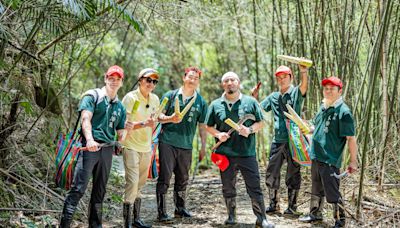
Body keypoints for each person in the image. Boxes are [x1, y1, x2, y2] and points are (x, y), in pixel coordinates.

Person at [205, 72, 274, 228]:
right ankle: (231, 216)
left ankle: (261, 218)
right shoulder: (215, 104)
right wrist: (218, 134)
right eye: (226, 81)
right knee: (228, 186)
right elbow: (207, 126)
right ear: (223, 84)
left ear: (238, 83)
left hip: (246, 153)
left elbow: (261, 123)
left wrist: (249, 130)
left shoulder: (250, 102)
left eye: (233, 80)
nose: (230, 83)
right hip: (225, 154)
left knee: (254, 185)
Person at [60, 65, 127, 228]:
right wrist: (89, 140)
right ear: (105, 78)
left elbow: (121, 135)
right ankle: (64, 225)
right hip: (89, 147)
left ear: (121, 82)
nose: (114, 81)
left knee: (100, 190)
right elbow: (85, 119)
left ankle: (95, 225)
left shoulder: (120, 107)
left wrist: (127, 132)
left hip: (107, 149)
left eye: (117, 79)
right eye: (111, 78)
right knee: (79, 188)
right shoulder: (92, 96)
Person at [299, 76, 357, 228]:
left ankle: (340, 220)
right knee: (316, 186)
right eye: (326, 88)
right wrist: (306, 126)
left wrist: (353, 161)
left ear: (340, 91)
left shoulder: (344, 112)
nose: (328, 91)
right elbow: (315, 125)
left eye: (332, 88)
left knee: (332, 191)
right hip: (316, 154)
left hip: (330, 158)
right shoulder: (323, 106)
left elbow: (351, 139)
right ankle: (315, 214)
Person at [156, 67, 208, 222]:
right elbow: (158, 116)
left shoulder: (200, 101)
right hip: (167, 142)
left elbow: (202, 126)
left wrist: (203, 146)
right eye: (190, 77)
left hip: (186, 145)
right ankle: (162, 211)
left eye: (196, 78)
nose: (193, 80)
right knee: (165, 177)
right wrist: (170, 118)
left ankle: (180, 209)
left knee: (183, 178)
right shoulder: (171, 96)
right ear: (184, 77)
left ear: (198, 82)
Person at [259, 64, 308, 215]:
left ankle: (292, 206)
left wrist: (304, 72)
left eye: (284, 77)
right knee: (272, 171)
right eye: (279, 78)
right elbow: (260, 107)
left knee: (293, 172)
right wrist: (253, 97)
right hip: (278, 139)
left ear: (290, 77)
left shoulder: (295, 93)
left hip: (294, 139)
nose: (281, 80)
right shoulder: (273, 96)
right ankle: (274, 204)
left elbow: (303, 87)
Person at [121, 68, 160, 228]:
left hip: (146, 146)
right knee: (132, 181)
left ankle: (136, 219)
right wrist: (144, 123)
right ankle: (127, 222)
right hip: (130, 145)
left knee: (141, 182)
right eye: (148, 80)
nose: (151, 84)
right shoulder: (130, 98)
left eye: (154, 81)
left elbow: (157, 119)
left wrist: (171, 118)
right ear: (140, 81)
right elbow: (123, 123)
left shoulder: (155, 99)